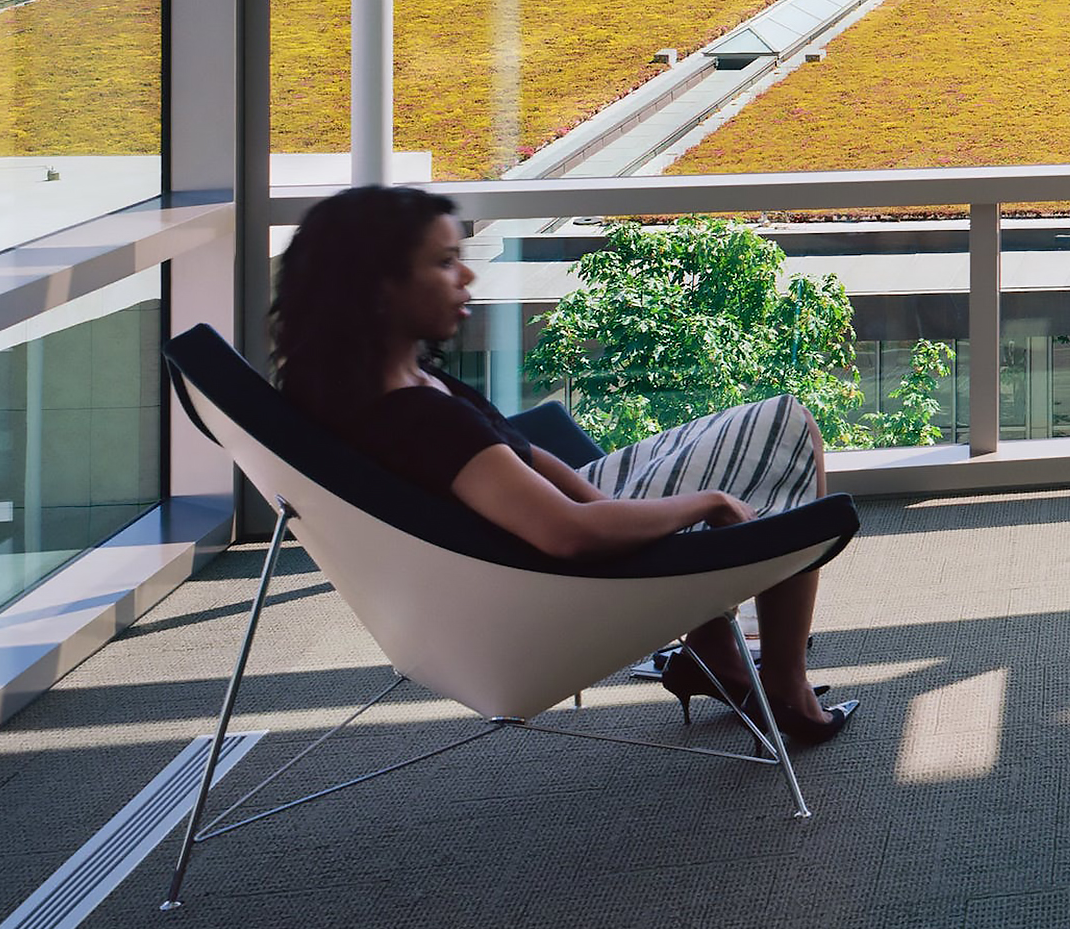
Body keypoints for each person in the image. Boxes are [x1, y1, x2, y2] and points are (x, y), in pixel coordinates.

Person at [268, 186, 856, 745]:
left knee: (772, 429)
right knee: (787, 431)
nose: (467, 275)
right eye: (446, 262)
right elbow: (565, 534)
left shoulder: (371, 384)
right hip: (553, 577)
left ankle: (715, 653)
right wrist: (706, 504)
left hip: (554, 524)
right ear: (378, 289)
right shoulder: (415, 418)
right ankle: (786, 688)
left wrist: (609, 501)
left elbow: (514, 453)